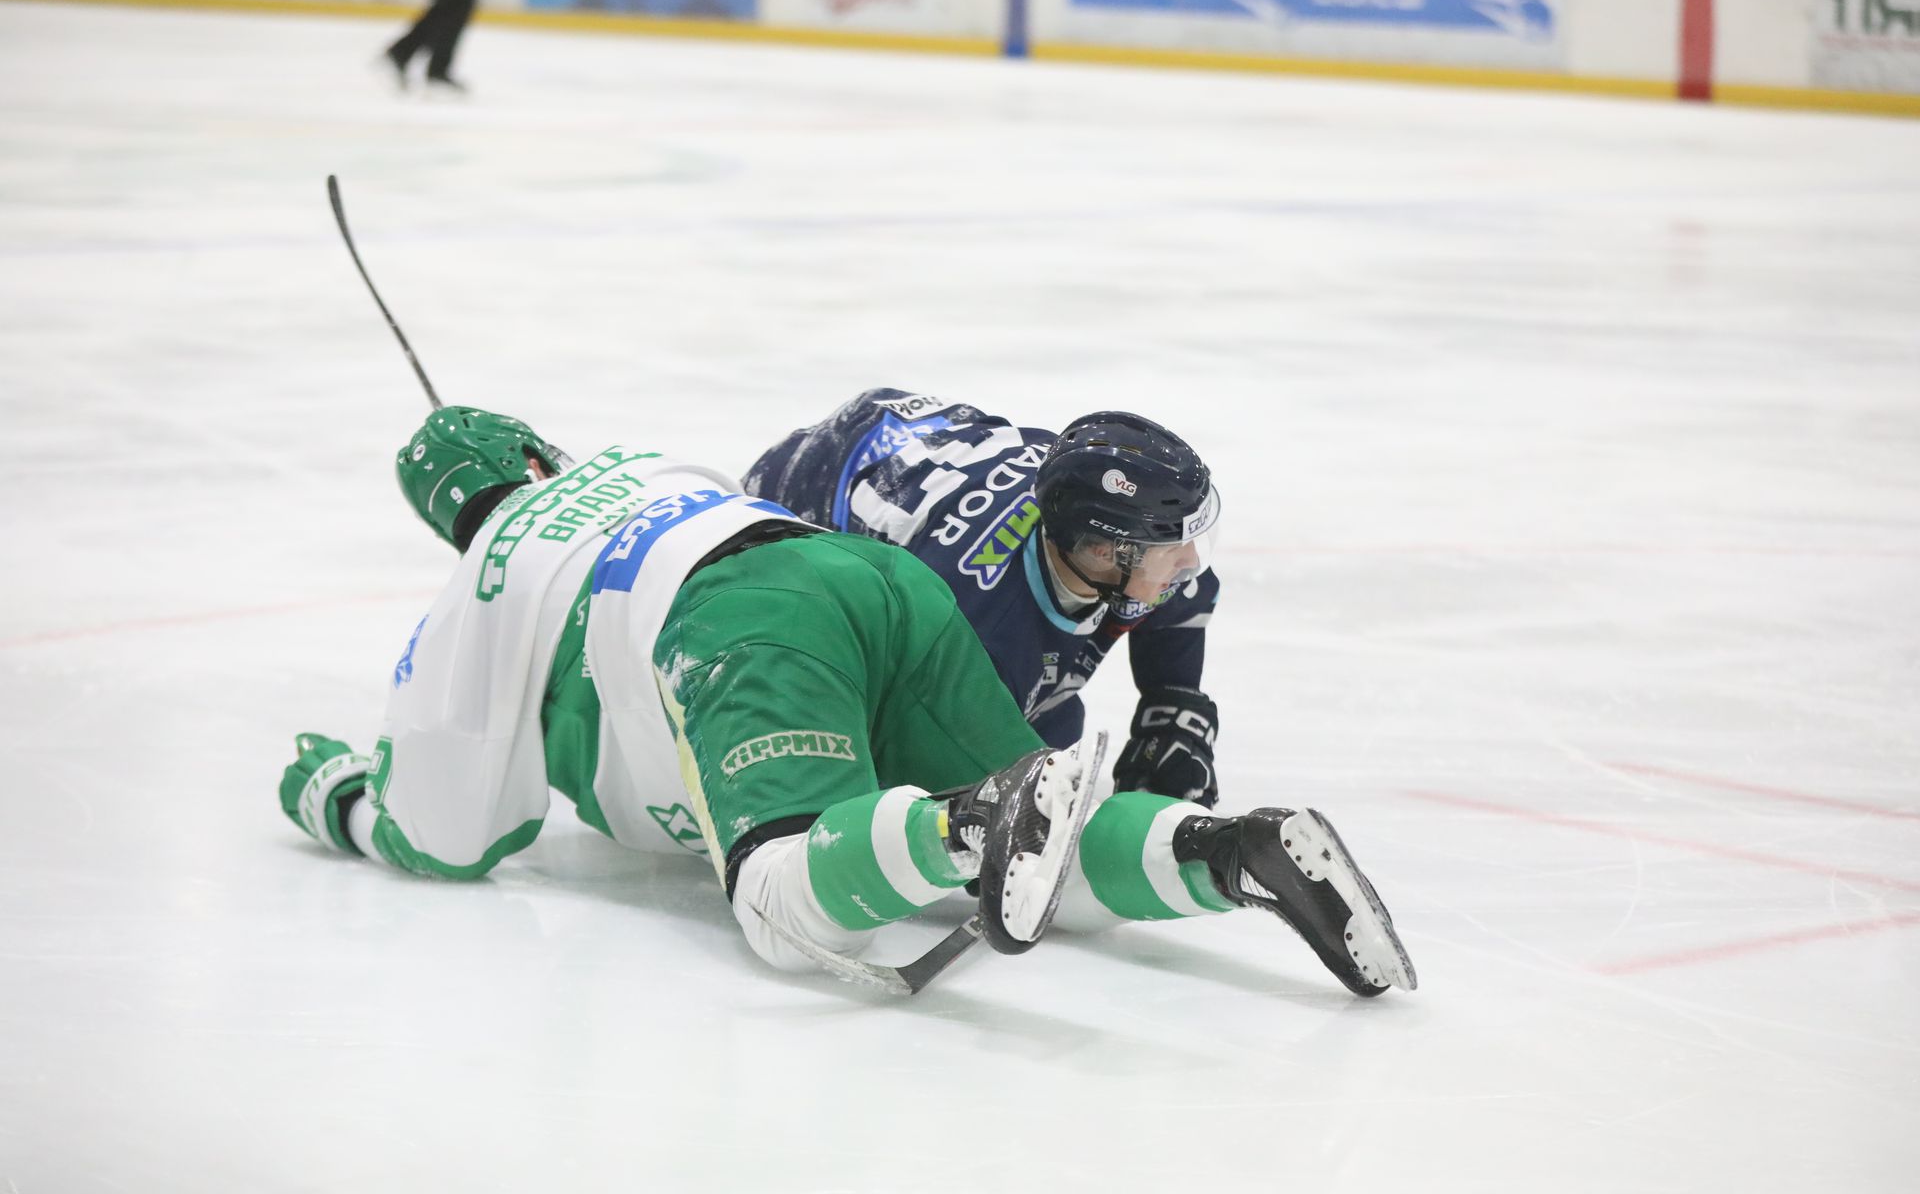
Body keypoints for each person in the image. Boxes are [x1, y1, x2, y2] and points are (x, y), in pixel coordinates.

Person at [278, 407, 1415, 995]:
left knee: (783, 907)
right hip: (878, 580)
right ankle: (1231, 847)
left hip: (754, 626)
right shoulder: (639, 458)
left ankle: (965, 819)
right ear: (539, 450)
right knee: (1061, 859)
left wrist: (338, 794)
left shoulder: (489, 569)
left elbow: (448, 830)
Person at [744, 390, 1226, 809]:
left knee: (1050, 727)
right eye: (1173, 547)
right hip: (805, 488)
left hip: (913, 441)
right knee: (1035, 743)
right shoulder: (976, 629)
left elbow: (1177, 607)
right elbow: (945, 806)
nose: (1189, 562)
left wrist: (1172, 704)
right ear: (1103, 552)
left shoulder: (1109, 547)